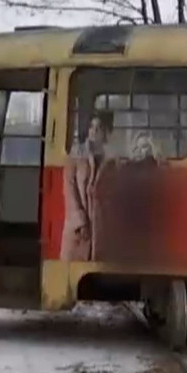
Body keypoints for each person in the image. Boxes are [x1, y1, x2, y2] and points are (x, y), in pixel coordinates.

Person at [61, 110, 114, 262]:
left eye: (99, 128)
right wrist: (80, 220)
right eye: (92, 127)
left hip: (100, 230)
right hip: (79, 230)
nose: (94, 131)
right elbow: (69, 188)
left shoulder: (111, 160)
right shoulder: (77, 154)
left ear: (106, 133)